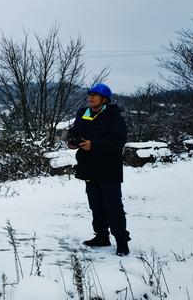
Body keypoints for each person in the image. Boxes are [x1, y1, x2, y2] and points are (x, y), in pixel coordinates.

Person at [67, 83, 131, 256]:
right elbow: (73, 131)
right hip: (88, 168)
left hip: (108, 169)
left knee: (113, 206)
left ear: (104, 99)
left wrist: (93, 145)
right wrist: (72, 141)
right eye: (90, 95)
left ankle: (121, 241)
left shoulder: (113, 117)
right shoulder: (84, 113)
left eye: (95, 95)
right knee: (96, 205)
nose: (91, 98)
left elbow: (118, 141)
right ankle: (102, 236)